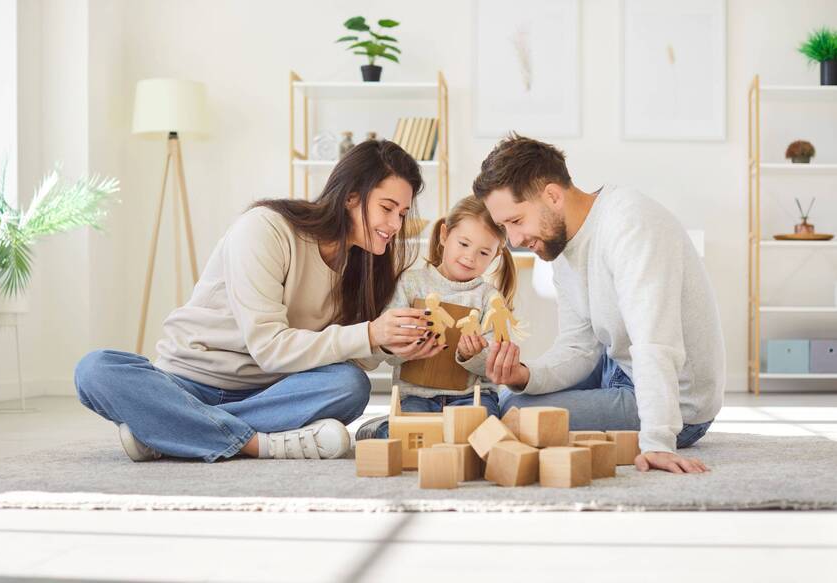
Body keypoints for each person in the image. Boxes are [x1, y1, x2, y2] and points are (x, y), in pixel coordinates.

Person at [74, 140, 442, 462]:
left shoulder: (363, 265)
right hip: (187, 380)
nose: (395, 224)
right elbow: (269, 348)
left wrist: (396, 344)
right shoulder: (266, 229)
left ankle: (170, 430)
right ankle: (257, 444)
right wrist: (372, 333)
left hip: (270, 390)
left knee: (350, 385)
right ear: (350, 197)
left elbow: (351, 350)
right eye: (387, 208)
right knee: (95, 370)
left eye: (403, 213)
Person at [472, 134, 725, 474]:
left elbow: (655, 343)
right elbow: (579, 347)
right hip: (617, 368)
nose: (514, 240)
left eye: (516, 221)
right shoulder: (562, 247)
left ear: (552, 195)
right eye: (505, 227)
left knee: (513, 414)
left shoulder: (630, 225)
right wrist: (525, 375)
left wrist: (657, 442)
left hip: (677, 403)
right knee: (508, 395)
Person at [355, 195, 518, 440]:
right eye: (463, 244)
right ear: (444, 235)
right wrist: (405, 343)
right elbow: (385, 351)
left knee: (481, 438)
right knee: (409, 440)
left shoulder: (489, 298)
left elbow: (493, 365)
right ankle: (384, 427)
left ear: (495, 257)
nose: (470, 257)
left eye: (483, 252)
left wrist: (471, 355)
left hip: (472, 397)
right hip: (416, 397)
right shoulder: (411, 284)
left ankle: (418, 429)